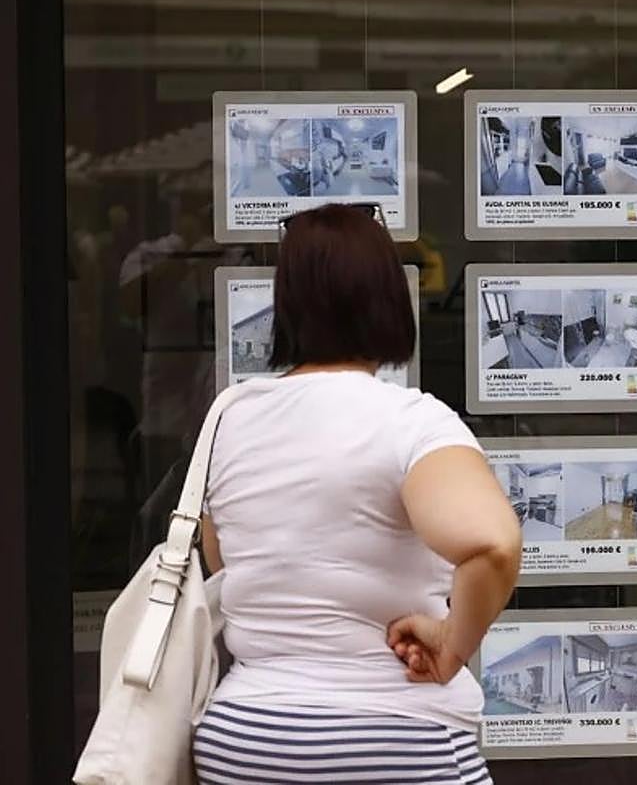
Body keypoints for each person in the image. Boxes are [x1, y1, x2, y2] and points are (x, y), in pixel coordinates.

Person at [193, 203, 520, 784]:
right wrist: (449, 646)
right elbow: (492, 545)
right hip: (392, 733)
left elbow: (227, 564)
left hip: (244, 738)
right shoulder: (412, 422)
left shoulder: (230, 419)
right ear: (388, 297)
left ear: (286, 304)